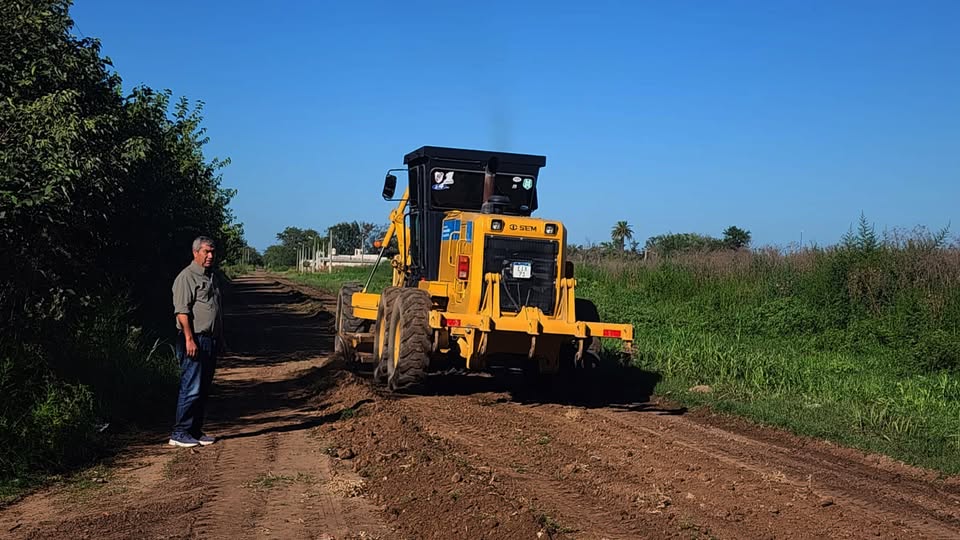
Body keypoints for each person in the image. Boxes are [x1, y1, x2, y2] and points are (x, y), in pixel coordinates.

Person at [168, 236, 223, 448]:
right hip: (194, 339)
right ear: (195, 252)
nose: (210, 256)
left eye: (212, 252)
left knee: (203, 388)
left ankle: (194, 431)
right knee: (191, 386)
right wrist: (190, 339)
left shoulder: (211, 277)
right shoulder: (187, 277)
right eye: (206, 252)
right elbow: (182, 312)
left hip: (210, 340)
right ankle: (179, 432)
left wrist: (221, 338)